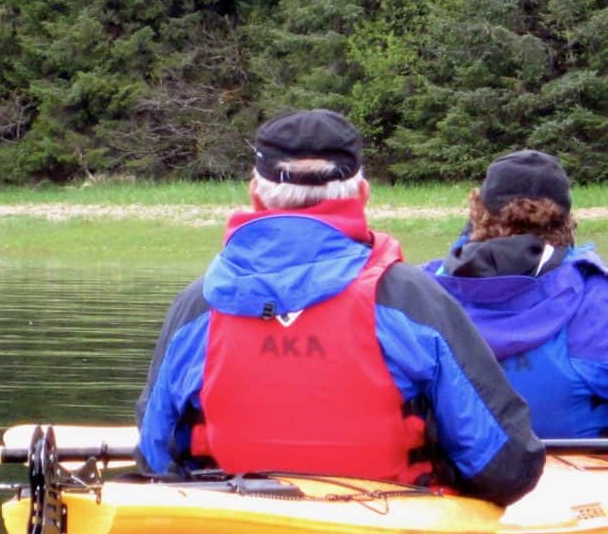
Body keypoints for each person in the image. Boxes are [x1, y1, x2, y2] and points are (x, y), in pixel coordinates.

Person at [135, 109, 544, 507]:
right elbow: (505, 467)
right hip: (391, 532)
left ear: (255, 192)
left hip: (233, 528)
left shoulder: (197, 306)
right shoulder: (411, 300)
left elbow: (154, 457)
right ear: (362, 193)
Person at [423, 150, 607, 438]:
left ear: (479, 213)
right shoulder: (597, 295)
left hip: (454, 471)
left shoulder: (422, 288)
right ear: (565, 220)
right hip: (576, 472)